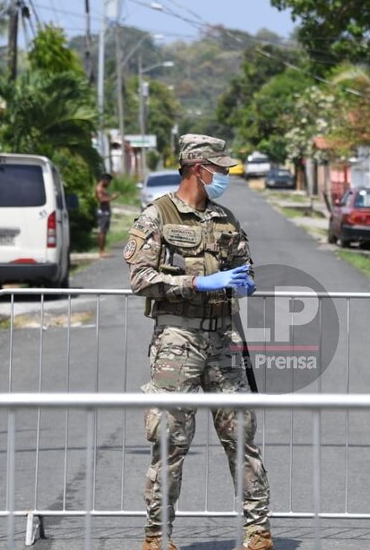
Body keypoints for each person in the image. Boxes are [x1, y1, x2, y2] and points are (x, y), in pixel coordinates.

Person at [124, 134, 273, 550]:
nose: (224, 175)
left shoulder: (226, 218)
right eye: (219, 169)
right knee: (170, 441)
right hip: (178, 340)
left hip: (224, 338)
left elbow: (246, 266)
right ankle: (157, 536)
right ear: (197, 168)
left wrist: (243, 282)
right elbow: (140, 278)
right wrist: (197, 282)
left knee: (242, 437)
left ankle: (257, 532)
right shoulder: (156, 216)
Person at [95, 173, 120, 257]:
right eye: (108, 182)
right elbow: (101, 200)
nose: (109, 184)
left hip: (105, 212)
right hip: (103, 212)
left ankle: (103, 250)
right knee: (102, 231)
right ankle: (101, 251)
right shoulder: (99, 188)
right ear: (105, 180)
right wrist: (113, 197)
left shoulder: (102, 188)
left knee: (104, 231)